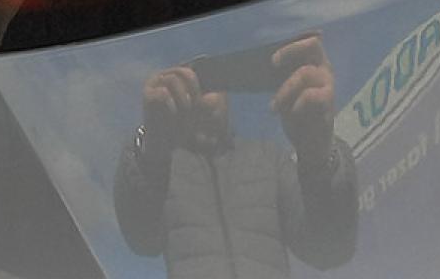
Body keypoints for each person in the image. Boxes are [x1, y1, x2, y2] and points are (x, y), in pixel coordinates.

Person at [115, 35, 358, 279]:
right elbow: (142, 238)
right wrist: (153, 146)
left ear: (229, 90)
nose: (205, 87)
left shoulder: (269, 159)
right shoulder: (163, 165)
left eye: (212, 75)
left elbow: (329, 249)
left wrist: (317, 153)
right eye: (196, 78)